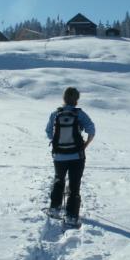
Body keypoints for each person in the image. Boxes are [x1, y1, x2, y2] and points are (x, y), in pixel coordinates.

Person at [45, 87, 95, 227]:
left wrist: (58, 142)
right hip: (77, 156)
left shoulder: (55, 114)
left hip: (59, 156)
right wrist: (85, 145)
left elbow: (48, 132)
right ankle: (72, 216)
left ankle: (55, 209)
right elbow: (92, 130)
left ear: (64, 98)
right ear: (76, 100)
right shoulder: (80, 114)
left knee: (59, 180)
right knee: (74, 185)